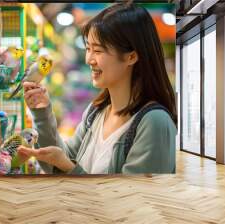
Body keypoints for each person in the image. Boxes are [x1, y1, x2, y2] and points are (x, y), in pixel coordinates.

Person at [17, 2, 177, 174]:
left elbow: (133, 198)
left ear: (131, 56)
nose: (89, 59)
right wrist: (42, 113)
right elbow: (58, 162)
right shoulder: (96, 112)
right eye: (88, 49)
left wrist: (68, 167)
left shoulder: (155, 123)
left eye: (98, 51)